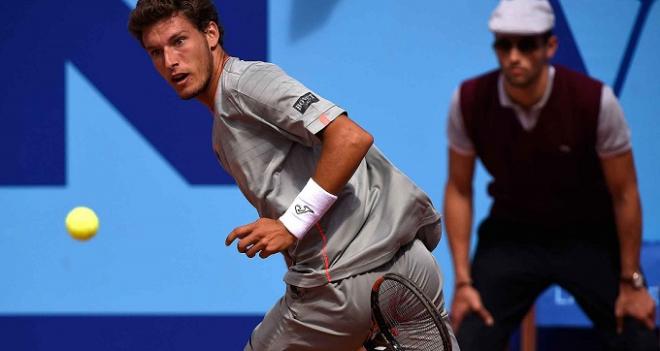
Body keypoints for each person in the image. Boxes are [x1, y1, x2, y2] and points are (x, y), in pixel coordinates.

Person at [127, 1, 458, 350]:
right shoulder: (225, 122)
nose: (170, 61)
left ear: (210, 33)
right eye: (155, 52)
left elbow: (350, 138)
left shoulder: (247, 85)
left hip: (344, 280)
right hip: (411, 268)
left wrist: (290, 225)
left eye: (179, 41)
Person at [444, 0, 658, 350]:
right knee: (467, 339)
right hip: (511, 236)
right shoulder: (468, 101)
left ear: (550, 46)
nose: (514, 56)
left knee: (640, 339)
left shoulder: (596, 102)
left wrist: (632, 281)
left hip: (587, 235)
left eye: (526, 44)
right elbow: (459, 189)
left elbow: (625, 193)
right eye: (504, 44)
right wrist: (463, 283)